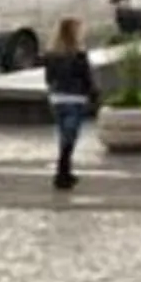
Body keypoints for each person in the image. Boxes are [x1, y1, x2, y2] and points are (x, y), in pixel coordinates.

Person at [42, 18, 98, 190]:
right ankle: (62, 172)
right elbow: (86, 78)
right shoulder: (79, 54)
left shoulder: (51, 54)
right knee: (70, 137)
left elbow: (48, 78)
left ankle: (65, 171)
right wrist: (93, 94)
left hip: (57, 98)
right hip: (75, 97)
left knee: (63, 134)